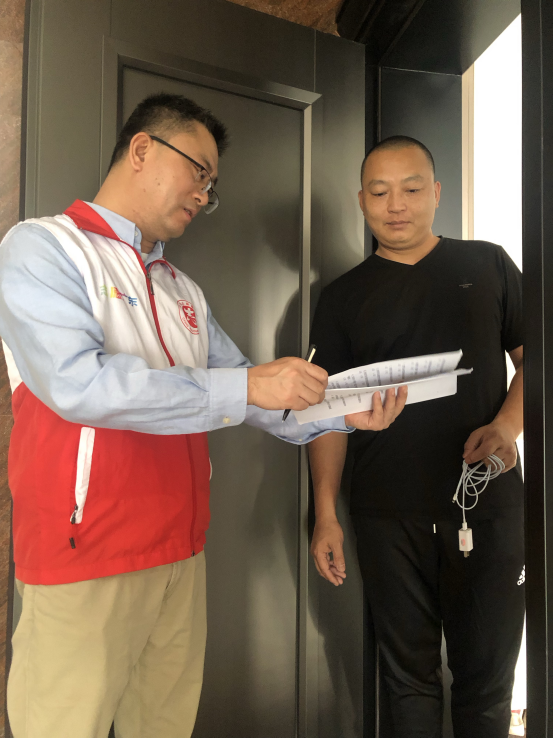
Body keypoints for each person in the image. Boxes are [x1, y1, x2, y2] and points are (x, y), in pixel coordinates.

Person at [0, 94, 407, 738]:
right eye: (199, 172)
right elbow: (79, 386)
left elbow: (253, 397)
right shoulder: (44, 248)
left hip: (180, 554)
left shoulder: (182, 290)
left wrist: (342, 414)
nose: (204, 194)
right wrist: (249, 384)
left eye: (211, 185)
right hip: (83, 555)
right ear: (142, 149)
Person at [309, 136, 524, 738]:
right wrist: (324, 514)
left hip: (487, 504)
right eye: (379, 192)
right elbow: (326, 412)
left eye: (410, 189)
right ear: (361, 200)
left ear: (436, 192)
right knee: (407, 683)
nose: (395, 204)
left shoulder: (488, 265)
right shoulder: (342, 297)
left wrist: (507, 426)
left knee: (488, 685)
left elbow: (536, 356)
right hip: (386, 513)